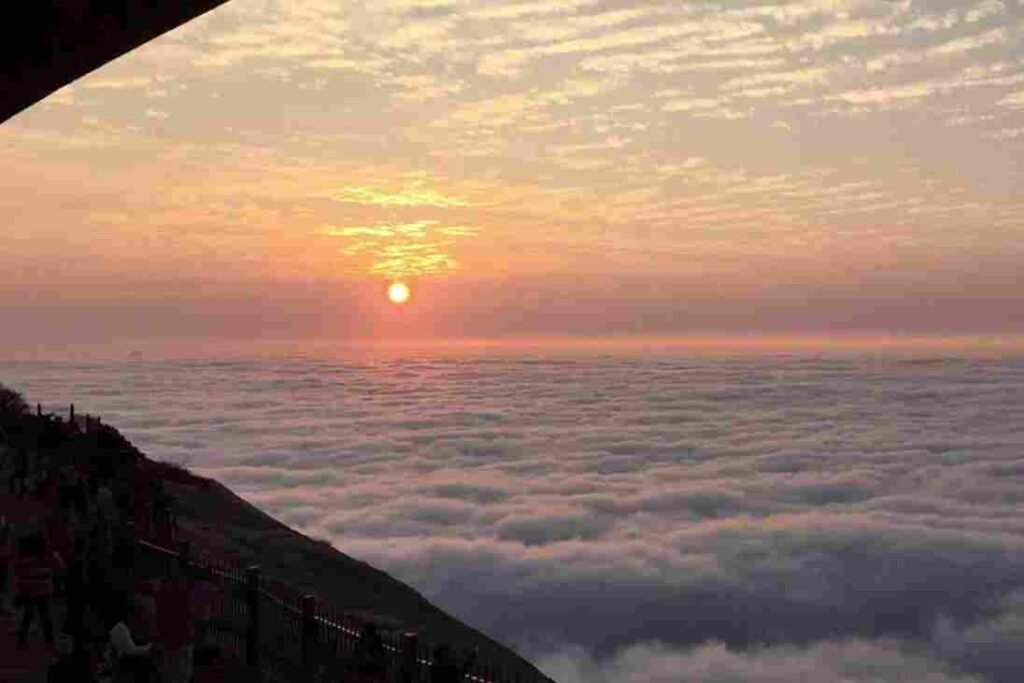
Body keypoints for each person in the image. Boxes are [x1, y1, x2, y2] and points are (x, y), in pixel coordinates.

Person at [14, 531, 63, 647]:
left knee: (28, 615)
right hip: (42, 590)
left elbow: (18, 574)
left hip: (28, 590)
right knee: (45, 616)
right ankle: (49, 641)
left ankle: (22, 640)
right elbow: (60, 566)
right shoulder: (45, 559)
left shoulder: (23, 560)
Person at [156, 560, 195, 683]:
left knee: (171, 674)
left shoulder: (163, 591)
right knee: (179, 674)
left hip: (171, 639)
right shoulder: (181, 593)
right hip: (178, 639)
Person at [108, 595, 156, 683]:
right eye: (141, 610)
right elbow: (129, 652)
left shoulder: (138, 628)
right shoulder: (119, 629)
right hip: (124, 671)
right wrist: (151, 648)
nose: (144, 615)